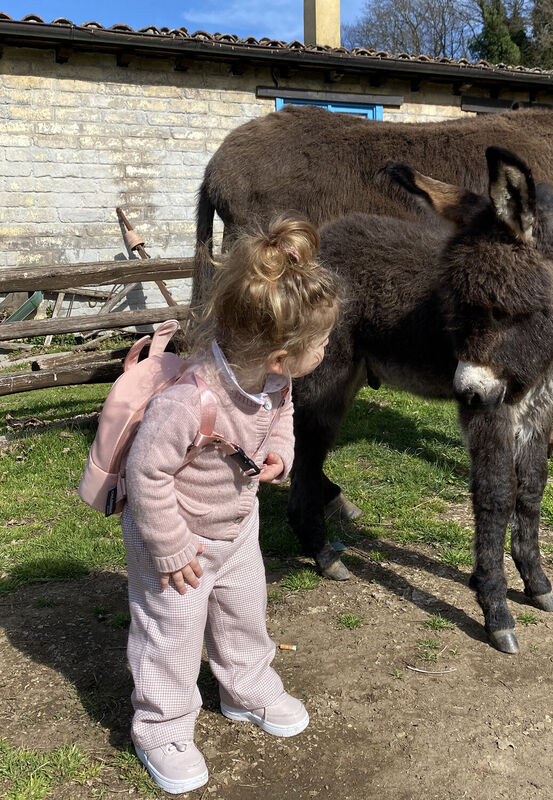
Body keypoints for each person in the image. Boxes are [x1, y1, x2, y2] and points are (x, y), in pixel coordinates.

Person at [121, 216, 340, 795]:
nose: (327, 350)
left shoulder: (274, 383)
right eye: (321, 344)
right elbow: (146, 473)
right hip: (178, 537)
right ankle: (161, 726)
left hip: (237, 526)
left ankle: (245, 684)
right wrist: (168, 548)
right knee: (171, 633)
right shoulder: (190, 402)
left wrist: (282, 453)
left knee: (244, 610)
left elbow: (282, 417)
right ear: (279, 355)